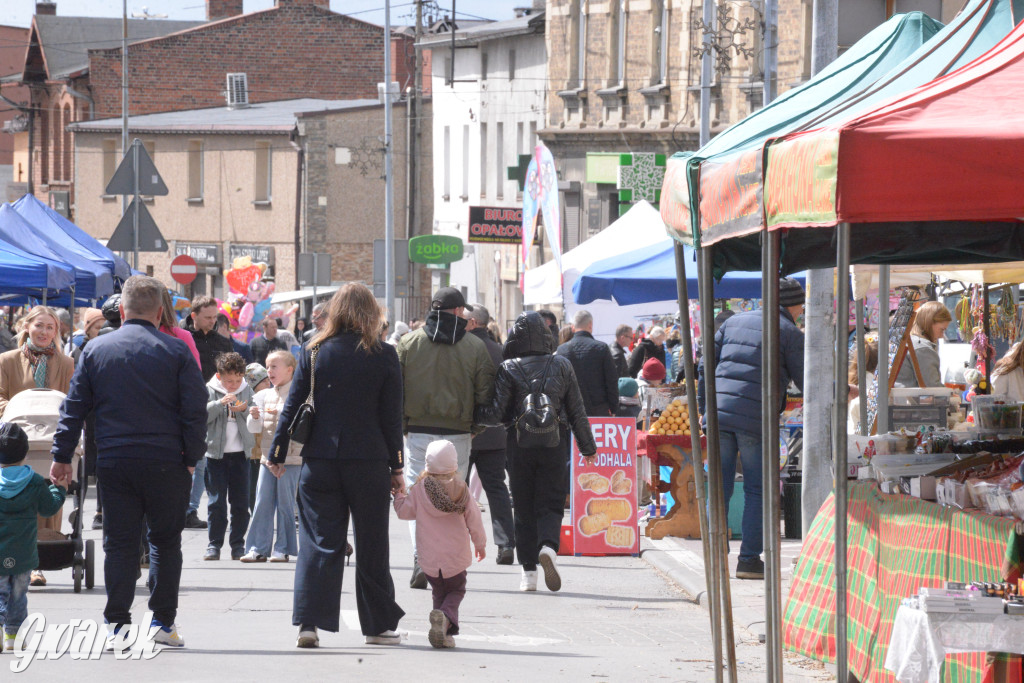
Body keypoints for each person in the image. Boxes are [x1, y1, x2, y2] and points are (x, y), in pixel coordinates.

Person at [50, 275, 208, 648]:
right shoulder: (177, 351)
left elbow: (74, 409)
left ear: (121, 310)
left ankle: (117, 625)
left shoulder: (95, 350)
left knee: (119, 544)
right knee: (166, 543)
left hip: (116, 459)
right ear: (159, 312)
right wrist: (192, 457)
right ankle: (162, 624)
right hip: (167, 460)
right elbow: (194, 411)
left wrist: (61, 456)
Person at [269, 282, 406, 649]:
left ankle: (309, 624)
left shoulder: (314, 351)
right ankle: (377, 625)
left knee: (318, 542)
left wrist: (277, 453)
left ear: (334, 312)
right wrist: (396, 466)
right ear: (372, 313)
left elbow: (293, 404)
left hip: (321, 460)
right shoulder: (384, 354)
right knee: (372, 542)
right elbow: (392, 417)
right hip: (369, 461)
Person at [476, 311, 597, 593]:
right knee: (552, 502)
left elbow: (495, 413)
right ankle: (549, 548)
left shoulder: (508, 368)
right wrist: (588, 447)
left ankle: (528, 573)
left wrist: (471, 416)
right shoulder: (562, 365)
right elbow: (577, 411)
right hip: (554, 443)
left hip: (518, 445)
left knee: (523, 505)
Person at [697, 277, 805, 580]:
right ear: (793, 305)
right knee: (758, 489)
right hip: (756, 419)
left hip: (720, 416)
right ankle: (748, 561)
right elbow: (808, 380)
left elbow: (705, 366)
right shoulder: (789, 332)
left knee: (719, 487)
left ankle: (715, 555)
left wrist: (707, 409)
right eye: (801, 306)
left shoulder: (732, 322)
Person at [396, 286, 495, 590]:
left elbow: (396, 391)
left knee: (418, 497)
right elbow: (485, 393)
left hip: (419, 430)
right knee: (450, 500)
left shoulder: (409, 343)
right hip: (458, 432)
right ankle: (443, 564)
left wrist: (404, 425)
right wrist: (474, 427)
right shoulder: (474, 347)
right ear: (456, 311)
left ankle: (419, 556)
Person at [0, 305, 74, 587]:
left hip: (51, 438)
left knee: (48, 491)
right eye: (39, 325)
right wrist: (19, 414)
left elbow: (71, 401)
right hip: (12, 438)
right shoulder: (7, 360)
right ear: (26, 326)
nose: (44, 332)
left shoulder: (66, 364)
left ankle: (39, 561)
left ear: (56, 332)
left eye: (50, 327)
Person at [393, 439, 486, 649]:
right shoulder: (462, 489)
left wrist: (398, 496)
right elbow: (474, 520)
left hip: (430, 559)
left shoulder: (419, 490)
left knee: (439, 592)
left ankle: (442, 631)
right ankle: (444, 619)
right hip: (455, 557)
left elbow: (404, 512)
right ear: (454, 465)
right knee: (456, 591)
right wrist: (480, 544)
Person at [0, 422, 68, 651]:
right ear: (25, 452)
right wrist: (59, 489)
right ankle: (13, 637)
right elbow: (49, 509)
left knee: (0, 593)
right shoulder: (35, 482)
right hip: (24, 554)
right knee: (18, 594)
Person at [464, 305, 515, 565]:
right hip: (494, 433)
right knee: (497, 489)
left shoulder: (462, 348)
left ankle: (454, 544)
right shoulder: (500, 351)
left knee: (455, 491)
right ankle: (506, 543)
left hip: (464, 431)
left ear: (472, 323)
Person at [240, 352, 300, 563]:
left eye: (275, 366)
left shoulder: (299, 395)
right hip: (268, 460)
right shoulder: (263, 396)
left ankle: (283, 548)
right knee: (262, 502)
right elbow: (254, 428)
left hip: (291, 461)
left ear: (290, 370)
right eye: (268, 367)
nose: (270, 372)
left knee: (286, 505)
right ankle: (257, 548)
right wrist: (254, 417)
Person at [202, 352, 255, 562]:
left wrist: (246, 410)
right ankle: (214, 545)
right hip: (216, 455)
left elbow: (253, 415)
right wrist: (220, 403)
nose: (233, 385)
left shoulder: (246, 390)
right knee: (216, 503)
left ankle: (238, 545)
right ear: (219, 376)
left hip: (241, 454)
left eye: (237, 380)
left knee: (241, 503)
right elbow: (202, 416)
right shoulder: (210, 389)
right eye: (228, 381)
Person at [556, 310, 619, 418]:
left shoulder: (562, 350)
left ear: (573, 327)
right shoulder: (601, 348)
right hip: (599, 410)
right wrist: (614, 408)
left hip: (571, 410)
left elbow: (558, 383)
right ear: (590, 325)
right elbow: (611, 381)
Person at [894, 301, 952, 388]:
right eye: (942, 330)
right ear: (929, 323)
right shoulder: (923, 348)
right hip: (910, 400)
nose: (941, 336)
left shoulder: (907, 341)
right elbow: (933, 388)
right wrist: (951, 395)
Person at [243, 363, 271, 513]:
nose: (269, 383)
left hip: (266, 452)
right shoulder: (249, 401)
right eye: (264, 381)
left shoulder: (271, 397)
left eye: (268, 379)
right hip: (252, 453)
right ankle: (255, 514)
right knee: (253, 488)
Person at [185, 296, 232, 382]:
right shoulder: (183, 340)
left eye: (214, 317)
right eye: (208, 318)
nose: (212, 321)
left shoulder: (224, 342)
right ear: (194, 316)